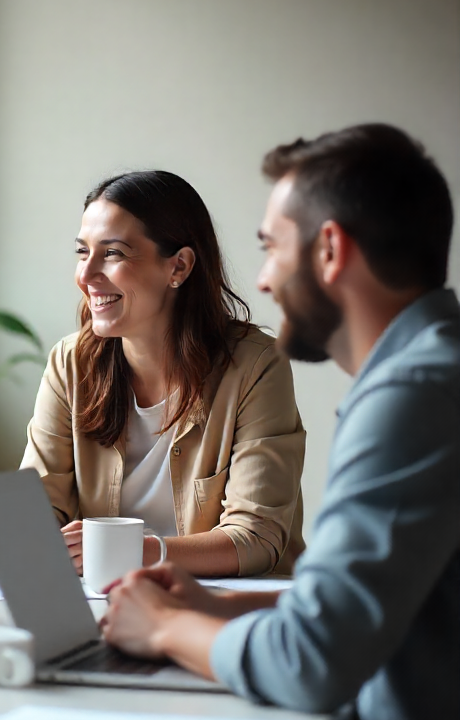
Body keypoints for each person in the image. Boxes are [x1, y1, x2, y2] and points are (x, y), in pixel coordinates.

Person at [100, 124, 459, 720]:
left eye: (272, 248)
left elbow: (312, 661)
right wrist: (218, 608)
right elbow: (370, 606)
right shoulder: (433, 371)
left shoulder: (413, 395)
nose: (264, 280)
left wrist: (165, 628)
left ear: (329, 250)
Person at [21, 170, 305, 578]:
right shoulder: (70, 364)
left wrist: (129, 552)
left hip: (230, 606)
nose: (86, 275)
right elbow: (36, 509)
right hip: (106, 601)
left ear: (179, 266)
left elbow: (256, 537)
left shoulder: (256, 367)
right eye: (83, 252)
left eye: (113, 253)